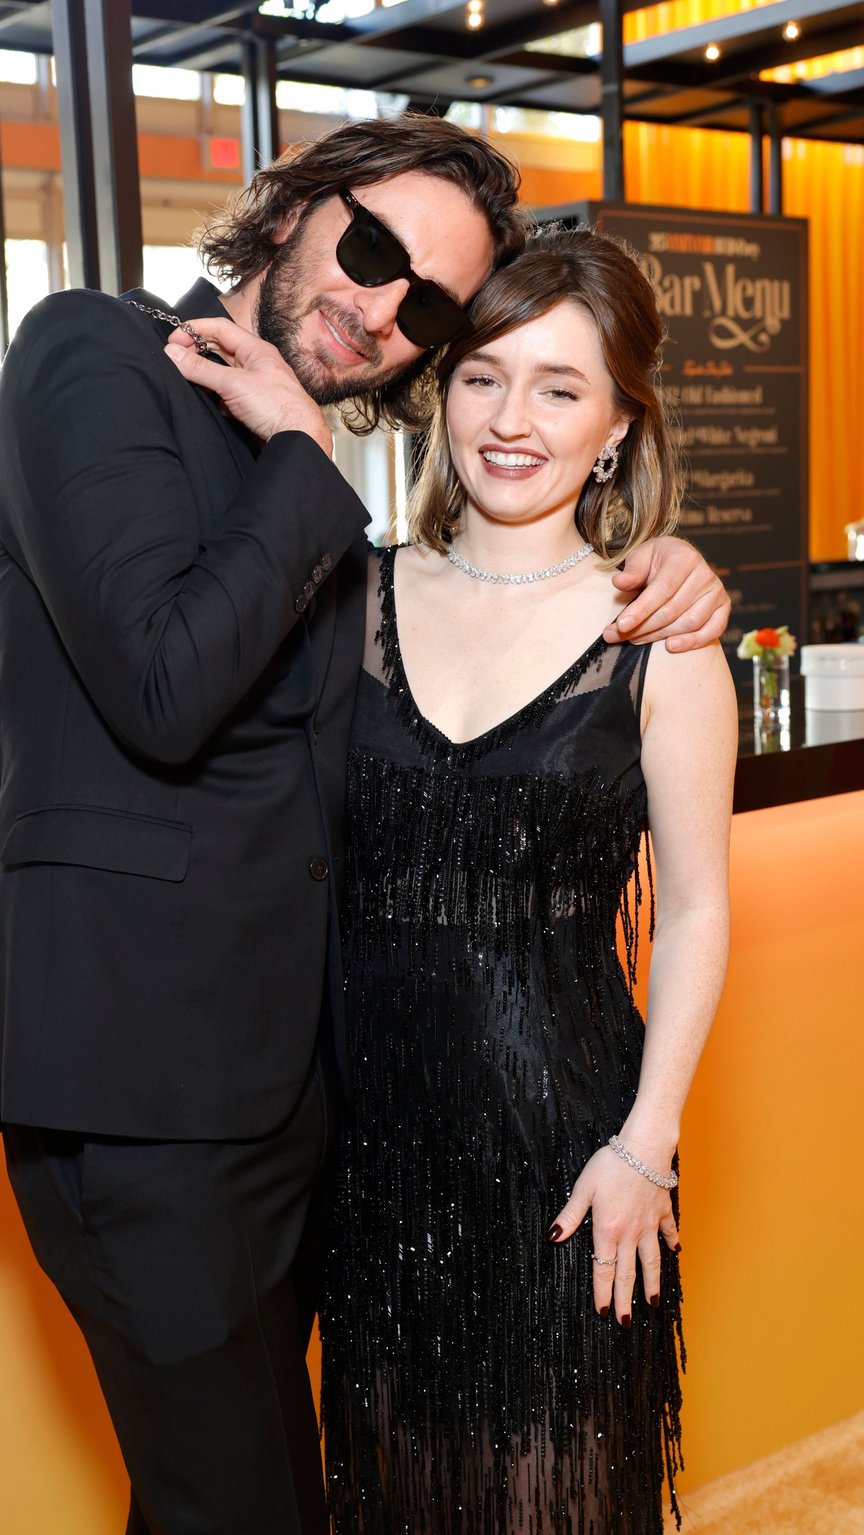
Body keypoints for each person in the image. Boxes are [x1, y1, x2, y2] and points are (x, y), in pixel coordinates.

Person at [0, 113, 730, 1535]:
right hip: (140, 1086)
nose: (380, 309)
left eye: (427, 309)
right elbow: (164, 689)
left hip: (337, 1112)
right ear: (295, 205)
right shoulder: (98, 355)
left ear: (615, 421)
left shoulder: (351, 544)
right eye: (372, 250)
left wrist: (670, 568)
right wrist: (310, 455)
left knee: (245, 1492)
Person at [316, 225, 737, 1535]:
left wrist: (646, 1147)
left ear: (615, 428)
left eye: (560, 389)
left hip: (570, 1163)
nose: (512, 420)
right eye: (485, 377)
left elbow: (698, 909)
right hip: (371, 1162)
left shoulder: (661, 640)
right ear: (441, 393)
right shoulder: (343, 601)